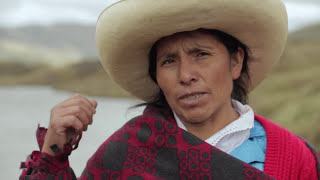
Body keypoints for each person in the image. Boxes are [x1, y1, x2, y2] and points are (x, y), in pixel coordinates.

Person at [20, 0, 320, 179]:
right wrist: (53, 152)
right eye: (168, 61)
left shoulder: (293, 156)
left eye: (201, 54)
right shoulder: (125, 152)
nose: (185, 75)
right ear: (156, 76)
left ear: (236, 62)